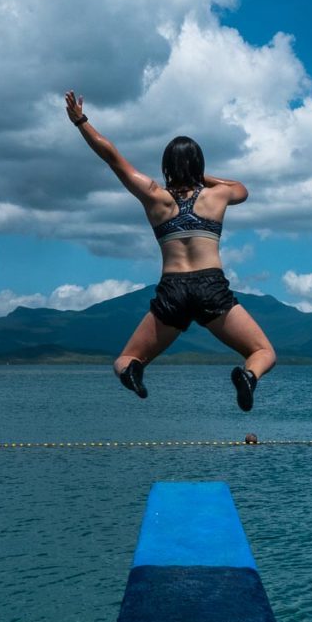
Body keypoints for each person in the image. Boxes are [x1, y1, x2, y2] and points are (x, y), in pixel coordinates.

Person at [65, 90, 275, 411]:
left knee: (125, 359)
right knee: (263, 353)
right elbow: (241, 189)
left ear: (166, 166)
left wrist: (81, 121)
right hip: (211, 287)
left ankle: (135, 371)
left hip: (173, 289)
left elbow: (112, 157)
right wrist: (199, 176)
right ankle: (248, 377)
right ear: (199, 165)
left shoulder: (154, 197)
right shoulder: (216, 197)